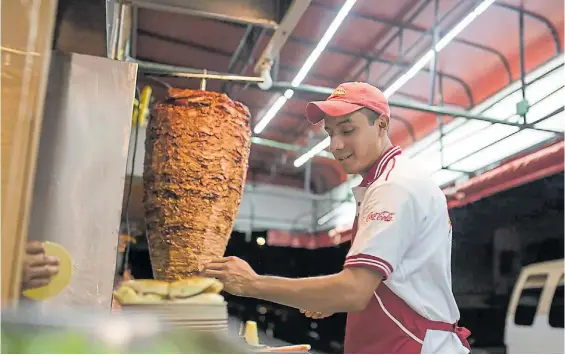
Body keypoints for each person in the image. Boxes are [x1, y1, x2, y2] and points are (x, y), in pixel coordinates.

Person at [202, 82, 471, 353]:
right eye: (330, 133)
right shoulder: (393, 179)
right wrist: (329, 297)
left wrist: (252, 284)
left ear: (381, 125)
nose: (335, 145)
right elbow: (393, 282)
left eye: (348, 130)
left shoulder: (393, 186)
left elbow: (354, 291)